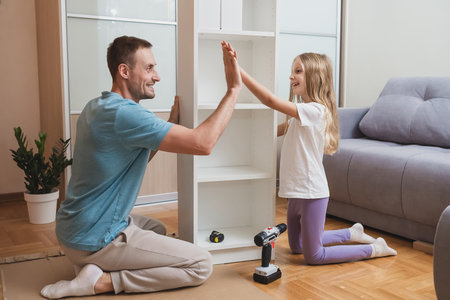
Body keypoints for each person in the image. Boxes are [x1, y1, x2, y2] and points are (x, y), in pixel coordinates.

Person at [40, 36, 242, 299]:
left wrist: (170, 122)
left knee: (156, 229)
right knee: (200, 264)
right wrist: (234, 90)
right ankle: (101, 281)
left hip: (72, 229)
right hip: (96, 237)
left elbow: (131, 158)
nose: (157, 76)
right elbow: (204, 144)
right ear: (124, 71)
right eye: (149, 68)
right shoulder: (127, 114)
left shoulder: (95, 107)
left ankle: (87, 266)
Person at [233, 49, 397, 265]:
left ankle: (374, 249)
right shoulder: (299, 115)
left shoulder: (315, 111)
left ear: (315, 77)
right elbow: (273, 131)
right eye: (292, 71)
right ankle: (351, 234)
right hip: (296, 193)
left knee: (314, 256)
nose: (291, 76)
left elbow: (271, 101)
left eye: (298, 71)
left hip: (312, 193)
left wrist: (239, 71)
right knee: (297, 247)